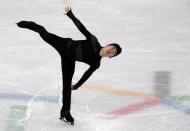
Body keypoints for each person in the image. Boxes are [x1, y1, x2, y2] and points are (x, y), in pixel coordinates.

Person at [16, 4, 122, 125]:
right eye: (112, 48)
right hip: (64, 44)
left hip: (68, 59)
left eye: (113, 53)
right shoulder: (94, 41)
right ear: (108, 44)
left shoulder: (96, 63)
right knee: (43, 32)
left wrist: (77, 85)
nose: (111, 51)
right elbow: (82, 28)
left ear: (110, 57)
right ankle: (29, 24)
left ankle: (65, 112)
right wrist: (70, 15)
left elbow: (87, 74)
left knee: (67, 86)